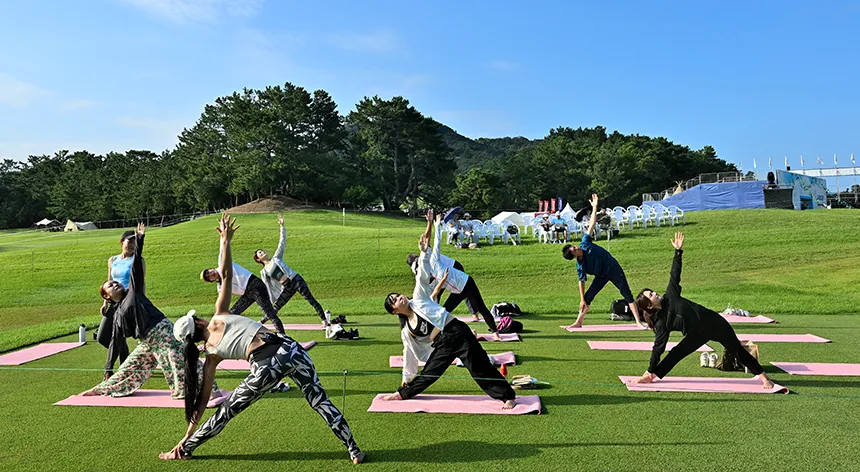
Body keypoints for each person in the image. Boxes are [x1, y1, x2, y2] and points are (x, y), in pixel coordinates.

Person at [159, 214, 363, 463]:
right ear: (198, 322)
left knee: (227, 410)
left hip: (267, 366)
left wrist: (185, 436)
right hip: (291, 348)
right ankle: (353, 448)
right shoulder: (219, 315)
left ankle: (186, 449)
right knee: (320, 401)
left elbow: (202, 401)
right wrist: (225, 240)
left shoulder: (211, 355)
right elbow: (225, 275)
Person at [381, 233, 516, 410]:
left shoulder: (419, 298)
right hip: (442, 344)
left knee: (479, 368)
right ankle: (402, 393)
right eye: (395, 301)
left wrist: (423, 253)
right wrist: (405, 379)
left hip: (457, 332)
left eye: (398, 296)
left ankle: (508, 396)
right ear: (394, 311)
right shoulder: (407, 329)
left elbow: (422, 274)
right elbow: (409, 353)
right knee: (429, 374)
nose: (400, 298)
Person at [83, 223, 216, 399]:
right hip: (146, 341)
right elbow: (115, 341)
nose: (115, 283)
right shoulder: (117, 316)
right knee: (129, 367)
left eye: (115, 282)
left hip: (162, 332)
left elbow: (136, 265)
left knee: (178, 359)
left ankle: (210, 389)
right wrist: (108, 367)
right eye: (110, 285)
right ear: (107, 296)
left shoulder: (133, 292)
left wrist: (140, 239)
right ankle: (103, 388)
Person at [632, 232, 775, 389]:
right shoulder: (661, 323)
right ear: (650, 306)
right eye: (651, 295)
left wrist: (678, 252)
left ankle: (764, 378)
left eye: (652, 291)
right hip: (697, 334)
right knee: (676, 353)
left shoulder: (670, 296)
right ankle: (651, 376)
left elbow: (675, 274)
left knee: (736, 350)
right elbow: (658, 349)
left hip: (714, 322)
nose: (655, 293)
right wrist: (649, 369)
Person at [562, 194, 645, 329]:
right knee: (588, 297)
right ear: (574, 256)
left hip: (613, 268)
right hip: (601, 275)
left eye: (574, 246)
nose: (577, 248)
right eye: (574, 250)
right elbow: (581, 282)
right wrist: (582, 299)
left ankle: (638, 322)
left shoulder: (585, 242)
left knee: (626, 293)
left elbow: (592, 223)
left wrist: (594, 207)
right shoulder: (580, 264)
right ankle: (578, 322)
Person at [420, 210, 501, 340]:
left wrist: (436, 225)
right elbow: (432, 293)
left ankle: (495, 333)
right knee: (444, 312)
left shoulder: (434, 260)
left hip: (466, 283)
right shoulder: (430, 277)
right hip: (457, 292)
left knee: (481, 307)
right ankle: (443, 336)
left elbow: (436, 242)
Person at [254, 214, 331, 328]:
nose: (262, 252)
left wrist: (282, 226)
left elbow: (282, 242)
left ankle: (324, 320)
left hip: (295, 280)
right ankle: (262, 322)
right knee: (277, 306)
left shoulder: (276, 258)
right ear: (258, 259)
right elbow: (266, 286)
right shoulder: (264, 272)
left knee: (310, 300)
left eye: (262, 250)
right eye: (260, 253)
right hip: (286, 287)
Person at [97, 229, 143, 380]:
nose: (131, 244)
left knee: (118, 335)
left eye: (134, 242)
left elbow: (140, 283)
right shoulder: (113, 260)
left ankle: (120, 366)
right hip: (113, 301)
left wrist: (140, 302)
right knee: (103, 336)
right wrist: (105, 302)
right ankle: (126, 358)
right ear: (122, 242)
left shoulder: (138, 260)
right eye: (129, 241)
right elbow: (108, 280)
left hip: (129, 301)